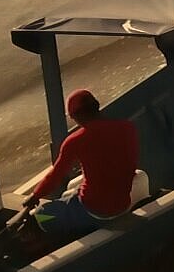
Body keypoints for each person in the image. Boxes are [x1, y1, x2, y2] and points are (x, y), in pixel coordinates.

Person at [27, 88, 139, 240]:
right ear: (97, 105)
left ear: (76, 116)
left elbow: (56, 176)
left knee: (42, 215)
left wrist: (35, 196)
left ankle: (62, 239)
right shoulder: (128, 128)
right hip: (123, 204)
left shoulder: (76, 140)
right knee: (73, 193)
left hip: (96, 211)